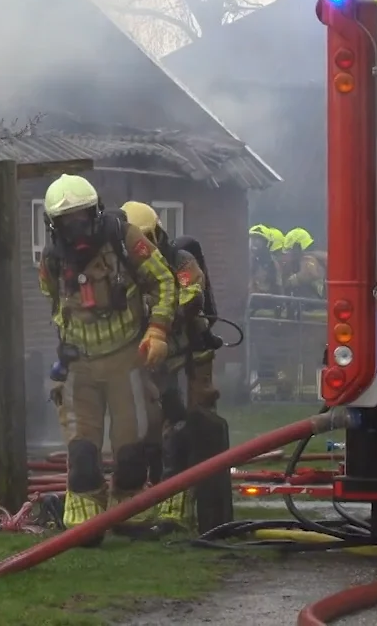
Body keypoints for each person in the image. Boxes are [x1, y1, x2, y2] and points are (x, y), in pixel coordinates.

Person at [39, 174, 177, 539]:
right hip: (80, 367)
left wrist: (158, 329)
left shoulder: (125, 239)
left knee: (131, 449)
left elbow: (163, 281)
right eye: (67, 223)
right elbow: (54, 300)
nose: (77, 229)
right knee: (82, 451)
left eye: (82, 218)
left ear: (96, 213)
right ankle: (85, 518)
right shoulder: (52, 258)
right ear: (54, 225)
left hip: (127, 361)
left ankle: (128, 510)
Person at [121, 202, 226, 533]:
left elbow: (189, 295)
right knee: (149, 432)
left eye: (146, 239)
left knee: (191, 426)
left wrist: (157, 312)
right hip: (151, 363)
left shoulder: (182, 262)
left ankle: (181, 505)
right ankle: (149, 498)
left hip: (191, 358)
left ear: (156, 234)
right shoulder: (124, 266)